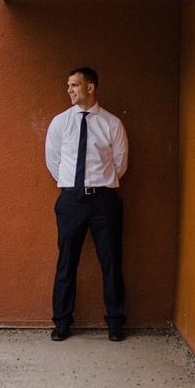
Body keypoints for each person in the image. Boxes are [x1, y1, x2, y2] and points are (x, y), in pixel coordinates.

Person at [44, 66, 129, 342]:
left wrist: (97, 185)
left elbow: (120, 164)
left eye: (74, 85)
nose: (69, 90)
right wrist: (74, 186)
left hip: (104, 200)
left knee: (112, 262)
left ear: (90, 87)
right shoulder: (60, 122)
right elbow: (53, 161)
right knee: (67, 262)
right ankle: (62, 322)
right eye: (68, 86)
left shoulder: (112, 124)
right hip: (71, 200)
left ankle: (116, 322)